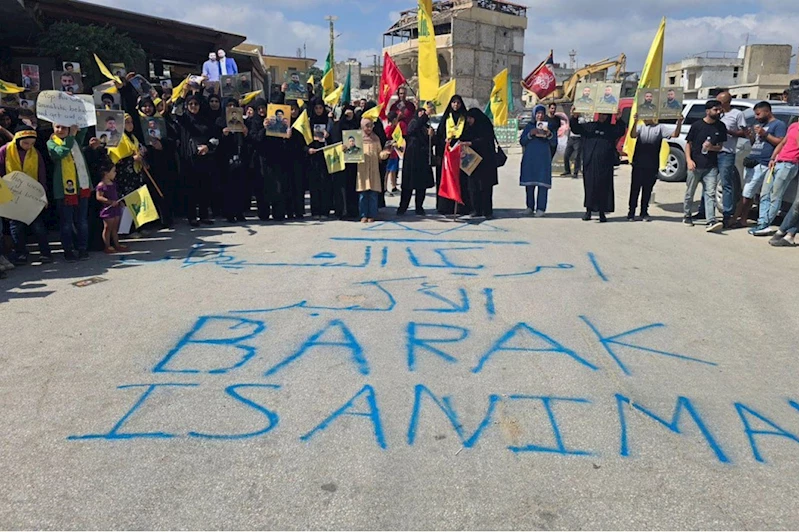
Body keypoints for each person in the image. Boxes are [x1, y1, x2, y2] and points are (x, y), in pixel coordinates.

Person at [0, 126, 52, 264]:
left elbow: (41, 174)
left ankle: (45, 253)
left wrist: (43, 195)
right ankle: (21, 253)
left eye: (32, 143)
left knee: (38, 226)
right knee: (16, 227)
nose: (29, 146)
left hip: (31, 195)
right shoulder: (5, 151)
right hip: (11, 195)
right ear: (17, 140)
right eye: (25, 143)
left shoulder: (35, 153)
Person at [730, 101, 786, 229]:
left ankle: (734, 218)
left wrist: (765, 134)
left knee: (747, 192)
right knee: (749, 192)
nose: (756, 117)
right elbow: (756, 143)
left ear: (767, 111)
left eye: (758, 114)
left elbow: (781, 142)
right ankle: (743, 219)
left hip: (764, 163)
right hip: (752, 161)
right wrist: (751, 136)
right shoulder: (761, 125)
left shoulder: (778, 124)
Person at [48, 123, 95, 262]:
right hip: (64, 190)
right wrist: (71, 135)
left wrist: (77, 123)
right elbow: (61, 152)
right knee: (66, 223)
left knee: (82, 221)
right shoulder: (51, 143)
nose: (60, 130)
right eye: (57, 127)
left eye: (64, 127)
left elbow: (84, 127)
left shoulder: (75, 140)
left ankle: (82, 249)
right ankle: (68, 251)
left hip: (81, 186)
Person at [569, 109, 627, 222]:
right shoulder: (590, 126)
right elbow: (576, 128)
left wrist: (619, 119)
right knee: (590, 187)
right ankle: (588, 211)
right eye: (600, 114)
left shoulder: (611, 129)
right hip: (590, 163)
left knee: (604, 188)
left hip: (605, 164)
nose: (602, 117)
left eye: (605, 115)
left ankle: (602, 213)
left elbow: (620, 131)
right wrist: (574, 117)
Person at [628, 113, 683, 221]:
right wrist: (635, 122)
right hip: (638, 163)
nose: (645, 118)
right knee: (635, 188)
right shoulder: (640, 127)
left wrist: (679, 123)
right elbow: (633, 135)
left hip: (652, 163)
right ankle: (631, 212)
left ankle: (644, 212)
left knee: (647, 189)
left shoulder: (660, 128)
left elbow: (675, 135)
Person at [174, 93, 219, 226]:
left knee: (204, 188)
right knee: (190, 189)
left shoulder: (206, 120)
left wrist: (207, 146)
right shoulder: (184, 119)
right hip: (188, 159)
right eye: (190, 104)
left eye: (196, 104)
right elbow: (176, 110)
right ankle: (192, 216)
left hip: (204, 159)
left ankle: (204, 215)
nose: (193, 106)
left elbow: (215, 138)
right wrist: (183, 94)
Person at [750, 117, 799, 236]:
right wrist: (773, 158)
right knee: (765, 193)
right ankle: (761, 221)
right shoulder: (793, 126)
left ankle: (766, 224)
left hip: (789, 164)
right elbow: (783, 143)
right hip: (777, 161)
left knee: (775, 195)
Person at [683, 99, 727, 232]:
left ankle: (711, 220)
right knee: (690, 192)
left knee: (710, 193)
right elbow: (688, 144)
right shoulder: (697, 125)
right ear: (708, 111)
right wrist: (689, 160)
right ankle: (687, 215)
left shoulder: (721, 126)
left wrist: (711, 147)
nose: (718, 112)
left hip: (711, 166)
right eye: (715, 109)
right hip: (695, 165)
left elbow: (720, 147)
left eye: (720, 109)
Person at [715, 90, 749, 227]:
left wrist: (728, 131)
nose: (718, 104)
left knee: (726, 183)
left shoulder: (737, 114)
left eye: (720, 102)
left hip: (726, 152)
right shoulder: (716, 113)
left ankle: (727, 214)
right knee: (709, 182)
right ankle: (704, 211)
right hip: (713, 151)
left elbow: (744, 132)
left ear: (727, 102)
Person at [457, 108, 498, 221]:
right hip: (472, 162)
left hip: (486, 162)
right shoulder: (469, 127)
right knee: (473, 187)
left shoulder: (485, 126)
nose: (469, 120)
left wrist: (471, 143)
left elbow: (486, 140)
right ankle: (476, 209)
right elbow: (463, 137)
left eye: (470, 118)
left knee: (485, 187)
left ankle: (487, 211)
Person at [520, 105, 557, 217]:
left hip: (543, 159)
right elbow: (522, 141)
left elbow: (554, 143)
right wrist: (530, 134)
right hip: (530, 158)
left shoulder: (549, 126)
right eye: (537, 113)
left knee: (542, 184)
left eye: (541, 113)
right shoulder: (529, 126)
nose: (539, 116)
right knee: (529, 184)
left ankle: (541, 208)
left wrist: (549, 134)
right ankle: (530, 207)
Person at [217, 98, 249, 223]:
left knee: (240, 187)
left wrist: (245, 133)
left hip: (240, 158)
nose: (231, 108)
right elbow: (215, 141)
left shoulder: (242, 122)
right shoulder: (220, 121)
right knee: (228, 188)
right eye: (229, 105)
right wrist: (223, 134)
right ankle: (229, 213)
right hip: (226, 160)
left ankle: (239, 212)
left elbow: (249, 141)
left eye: (233, 105)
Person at [435, 94, 468, 215]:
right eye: (454, 102)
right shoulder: (446, 118)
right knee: (446, 179)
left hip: (460, 152)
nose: (456, 105)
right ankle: (445, 206)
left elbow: (468, 134)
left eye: (458, 103)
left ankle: (461, 206)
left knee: (460, 180)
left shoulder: (464, 118)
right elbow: (439, 136)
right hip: (447, 153)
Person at [397, 108, 435, 215]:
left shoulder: (427, 127)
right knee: (408, 185)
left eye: (424, 112)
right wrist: (425, 115)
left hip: (422, 159)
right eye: (420, 112)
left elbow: (431, 143)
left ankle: (419, 207)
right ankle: (403, 207)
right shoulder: (413, 123)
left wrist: (431, 136)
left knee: (421, 186)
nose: (422, 114)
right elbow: (411, 130)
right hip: (411, 159)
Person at [330, 104, 361, 219]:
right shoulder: (338, 125)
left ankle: (353, 210)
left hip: (353, 161)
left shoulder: (356, 125)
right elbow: (333, 140)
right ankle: (342, 210)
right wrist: (340, 145)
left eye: (351, 114)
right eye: (347, 114)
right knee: (341, 186)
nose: (349, 116)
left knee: (352, 185)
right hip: (341, 161)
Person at [356, 118, 390, 222]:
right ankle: (363, 215)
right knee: (363, 195)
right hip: (362, 170)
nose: (369, 128)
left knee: (373, 194)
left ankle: (372, 215)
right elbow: (352, 152)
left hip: (374, 170)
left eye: (371, 126)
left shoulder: (376, 138)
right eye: (367, 126)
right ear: (362, 126)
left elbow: (379, 154)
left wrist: (385, 153)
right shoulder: (358, 138)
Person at [305, 98, 332, 219]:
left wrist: (328, 135)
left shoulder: (328, 121)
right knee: (314, 184)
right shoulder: (309, 122)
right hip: (313, 156)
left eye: (320, 108)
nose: (318, 110)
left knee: (325, 184)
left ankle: (325, 210)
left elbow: (335, 138)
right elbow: (304, 139)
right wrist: (308, 149)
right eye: (316, 108)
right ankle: (315, 211)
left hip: (325, 155)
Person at [95, 159, 128, 254]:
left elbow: (116, 195)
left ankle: (117, 244)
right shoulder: (102, 185)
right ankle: (107, 245)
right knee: (108, 228)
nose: (115, 173)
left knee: (115, 228)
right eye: (113, 171)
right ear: (106, 173)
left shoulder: (113, 184)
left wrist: (119, 202)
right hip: (107, 209)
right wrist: (109, 202)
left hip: (115, 208)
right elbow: (98, 197)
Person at [285, 102, 307, 219]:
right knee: (288, 186)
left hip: (299, 159)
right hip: (286, 159)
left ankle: (299, 211)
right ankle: (289, 211)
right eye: (291, 109)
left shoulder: (302, 122)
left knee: (299, 186)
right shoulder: (284, 123)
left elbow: (305, 140)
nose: (293, 112)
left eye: (295, 109)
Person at [384, 111, 405, 196]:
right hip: (388, 153)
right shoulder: (388, 129)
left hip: (395, 153)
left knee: (393, 170)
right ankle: (385, 188)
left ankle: (394, 187)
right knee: (387, 171)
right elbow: (385, 141)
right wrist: (392, 142)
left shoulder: (396, 128)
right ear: (393, 120)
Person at [562, 114, 584, 178]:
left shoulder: (581, 119)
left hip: (578, 138)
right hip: (571, 138)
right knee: (566, 155)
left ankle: (575, 172)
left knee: (577, 156)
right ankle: (567, 170)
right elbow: (569, 128)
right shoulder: (571, 119)